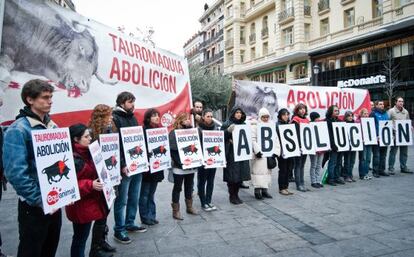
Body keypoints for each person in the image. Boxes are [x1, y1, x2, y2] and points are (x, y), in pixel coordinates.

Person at [3, 79, 61, 257]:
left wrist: (67, 190)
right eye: (45, 97)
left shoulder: (53, 126)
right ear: (30, 99)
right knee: (31, 251)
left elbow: (60, 161)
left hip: (55, 201)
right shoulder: (18, 130)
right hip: (34, 206)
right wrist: (39, 200)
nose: (50, 101)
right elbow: (16, 173)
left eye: (51, 97)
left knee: (49, 249)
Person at [66, 124, 113, 257]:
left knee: (82, 236)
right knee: (80, 239)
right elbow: (69, 185)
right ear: (76, 139)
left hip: (91, 202)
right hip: (80, 206)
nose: (90, 139)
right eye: (86, 137)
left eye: (90, 136)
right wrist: (90, 184)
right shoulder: (72, 158)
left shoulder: (90, 151)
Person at [112, 92, 146, 244]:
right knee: (122, 200)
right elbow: (115, 144)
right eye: (131, 102)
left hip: (137, 164)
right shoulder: (115, 118)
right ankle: (119, 230)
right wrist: (122, 164)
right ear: (122, 102)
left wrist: (143, 159)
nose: (133, 105)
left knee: (134, 197)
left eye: (134, 102)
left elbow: (137, 140)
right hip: (125, 167)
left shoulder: (132, 117)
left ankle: (130, 223)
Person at [88, 105, 117, 254]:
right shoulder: (91, 134)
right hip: (98, 179)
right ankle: (95, 248)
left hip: (111, 176)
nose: (111, 118)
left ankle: (101, 240)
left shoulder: (110, 130)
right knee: (100, 213)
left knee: (105, 212)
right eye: (108, 115)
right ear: (100, 117)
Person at [169, 112, 198, 220]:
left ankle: (189, 207)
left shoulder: (191, 132)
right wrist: (181, 163)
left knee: (189, 186)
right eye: (186, 119)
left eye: (188, 119)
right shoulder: (173, 133)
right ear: (180, 121)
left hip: (190, 165)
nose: (188, 121)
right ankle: (175, 210)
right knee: (177, 188)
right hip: (179, 166)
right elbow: (173, 150)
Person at [221, 107, 251, 204]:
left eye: (240, 112)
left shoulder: (244, 124)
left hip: (241, 153)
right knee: (232, 176)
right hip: (231, 154)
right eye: (237, 112)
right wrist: (227, 132)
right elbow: (220, 137)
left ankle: (236, 195)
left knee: (240, 176)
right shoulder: (227, 124)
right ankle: (232, 196)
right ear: (233, 113)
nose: (238, 114)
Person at [139, 108, 164, 225]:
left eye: (157, 115)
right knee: (144, 194)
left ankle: (152, 215)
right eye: (154, 115)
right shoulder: (143, 131)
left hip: (156, 167)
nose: (156, 117)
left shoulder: (160, 130)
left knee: (151, 193)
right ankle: (145, 217)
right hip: (147, 167)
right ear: (148, 118)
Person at [251, 108, 280, 199]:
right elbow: (252, 139)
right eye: (263, 117)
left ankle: (265, 190)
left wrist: (275, 152)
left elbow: (275, 140)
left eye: (267, 117)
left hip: (268, 153)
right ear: (260, 117)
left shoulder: (271, 126)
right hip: (259, 154)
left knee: (267, 173)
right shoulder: (255, 126)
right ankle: (257, 191)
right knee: (258, 173)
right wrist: (257, 151)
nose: (265, 118)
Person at [197, 109, 218, 211]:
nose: (210, 118)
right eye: (208, 116)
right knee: (202, 181)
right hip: (203, 160)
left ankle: (209, 200)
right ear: (203, 117)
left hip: (213, 159)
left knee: (211, 181)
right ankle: (203, 202)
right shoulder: (199, 129)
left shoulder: (215, 128)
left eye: (211, 116)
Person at [387, 96, 412, 174]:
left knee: (404, 152)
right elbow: (386, 122)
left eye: (402, 101)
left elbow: (408, 121)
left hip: (404, 135)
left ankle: (403, 167)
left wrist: (410, 126)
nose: (401, 103)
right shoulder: (391, 111)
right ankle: (391, 168)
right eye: (399, 101)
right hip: (395, 135)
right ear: (396, 102)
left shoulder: (406, 111)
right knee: (393, 152)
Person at [291, 103, 309, 192]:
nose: (302, 110)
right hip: (298, 146)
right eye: (300, 109)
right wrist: (299, 146)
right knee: (298, 165)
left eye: (304, 108)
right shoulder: (295, 119)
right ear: (297, 110)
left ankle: (302, 183)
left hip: (305, 146)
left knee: (302, 165)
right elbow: (296, 134)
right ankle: (299, 184)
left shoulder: (306, 120)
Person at [326, 105, 346, 186]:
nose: (337, 112)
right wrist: (333, 145)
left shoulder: (340, 121)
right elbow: (329, 135)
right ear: (331, 111)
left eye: (338, 110)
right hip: (333, 146)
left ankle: (337, 177)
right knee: (333, 162)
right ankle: (331, 178)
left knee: (339, 162)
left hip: (341, 145)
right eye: (335, 111)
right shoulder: (328, 121)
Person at [276, 109, 294, 195]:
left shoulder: (288, 124)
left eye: (287, 114)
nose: (286, 116)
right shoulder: (277, 125)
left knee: (288, 169)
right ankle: (281, 188)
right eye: (284, 115)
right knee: (283, 169)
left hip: (289, 151)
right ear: (280, 115)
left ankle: (286, 187)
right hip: (282, 151)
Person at [371, 100, 390, 177]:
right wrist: (375, 136)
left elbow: (388, 124)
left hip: (384, 138)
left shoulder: (386, 113)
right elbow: (371, 126)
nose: (382, 105)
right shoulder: (373, 113)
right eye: (380, 104)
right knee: (376, 155)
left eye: (383, 104)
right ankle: (375, 171)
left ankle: (382, 170)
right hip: (377, 138)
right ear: (376, 105)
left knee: (383, 155)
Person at [308, 112, 324, 188]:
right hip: (314, 149)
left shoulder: (321, 125)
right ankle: (313, 181)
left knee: (319, 165)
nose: (319, 119)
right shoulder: (309, 125)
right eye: (317, 118)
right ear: (314, 118)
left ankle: (318, 180)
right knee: (313, 165)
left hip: (321, 148)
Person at [357, 108, 373, 180]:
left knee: (368, 158)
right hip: (362, 142)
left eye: (367, 113)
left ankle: (366, 173)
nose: (366, 115)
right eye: (365, 114)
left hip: (369, 141)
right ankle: (362, 174)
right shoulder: (358, 122)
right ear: (361, 114)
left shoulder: (369, 121)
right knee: (363, 158)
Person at [342, 111, 357, 183]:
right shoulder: (344, 124)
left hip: (354, 145)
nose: (351, 117)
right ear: (346, 117)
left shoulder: (354, 124)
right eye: (349, 116)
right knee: (347, 161)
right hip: (347, 146)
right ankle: (346, 176)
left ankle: (350, 175)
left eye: (351, 116)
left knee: (352, 161)